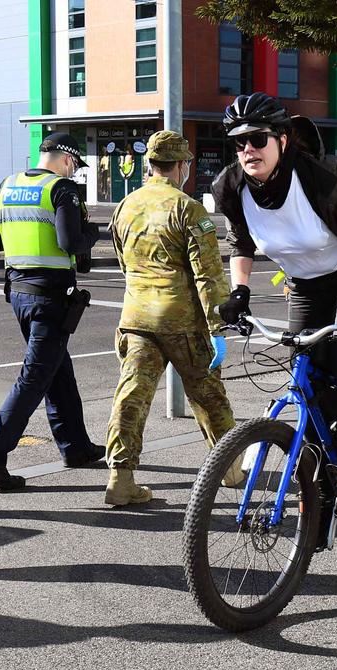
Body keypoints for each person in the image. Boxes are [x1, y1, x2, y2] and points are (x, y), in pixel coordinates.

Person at [211, 92, 337, 475]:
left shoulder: (327, 178)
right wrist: (239, 292)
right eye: (239, 142)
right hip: (305, 282)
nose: (248, 150)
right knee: (307, 371)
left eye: (257, 139)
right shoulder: (232, 187)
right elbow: (240, 241)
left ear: (282, 139)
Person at [104, 130, 241, 505]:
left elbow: (123, 263)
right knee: (210, 397)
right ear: (181, 166)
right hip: (181, 323)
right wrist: (218, 326)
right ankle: (230, 470)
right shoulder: (189, 209)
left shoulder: (126, 206)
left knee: (131, 397)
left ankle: (121, 477)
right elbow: (209, 275)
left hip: (136, 317)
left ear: (149, 164)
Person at [0, 132, 106, 490]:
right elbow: (71, 243)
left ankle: (76, 447)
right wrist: (92, 234)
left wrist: (22, 239)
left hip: (18, 293)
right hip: (51, 297)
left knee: (57, 370)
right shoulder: (62, 190)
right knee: (33, 378)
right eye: (75, 164)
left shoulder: (7, 185)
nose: (74, 170)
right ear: (65, 158)